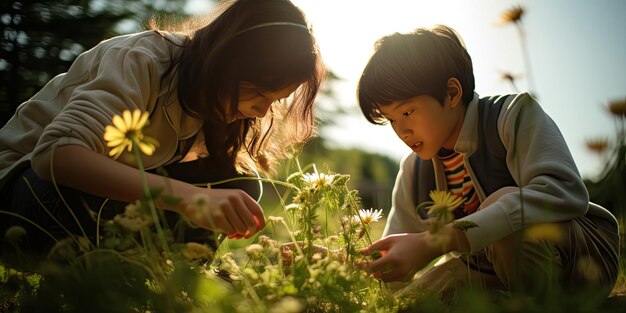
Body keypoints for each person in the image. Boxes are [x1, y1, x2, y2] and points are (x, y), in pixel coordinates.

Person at [0, 0, 324, 255]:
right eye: (259, 93)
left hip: (89, 204)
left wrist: (261, 252)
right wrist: (189, 199)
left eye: (275, 100)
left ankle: (171, 279)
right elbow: (56, 156)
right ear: (227, 61)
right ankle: (119, 272)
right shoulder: (143, 60)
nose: (262, 111)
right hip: (20, 194)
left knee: (240, 186)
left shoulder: (210, 104)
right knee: (195, 197)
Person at [357, 25, 619, 297]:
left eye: (408, 112)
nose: (402, 130)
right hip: (485, 269)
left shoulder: (512, 116)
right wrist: (352, 262)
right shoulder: (413, 169)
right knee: (411, 301)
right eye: (391, 119)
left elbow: (564, 191)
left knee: (505, 206)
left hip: (581, 261)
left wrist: (436, 242)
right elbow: (394, 255)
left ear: (452, 93)